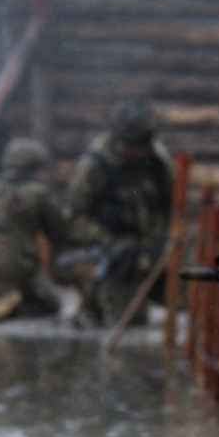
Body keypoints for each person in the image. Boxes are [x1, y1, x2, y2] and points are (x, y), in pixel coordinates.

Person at [65, 98, 174, 326]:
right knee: (130, 321)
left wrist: (162, 241)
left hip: (152, 247)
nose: (138, 151)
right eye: (132, 144)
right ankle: (93, 301)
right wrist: (109, 241)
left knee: (190, 295)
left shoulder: (158, 163)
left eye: (143, 143)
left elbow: (170, 207)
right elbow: (74, 219)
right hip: (114, 251)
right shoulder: (95, 166)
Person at [0, 138, 68, 321]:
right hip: (14, 265)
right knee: (51, 305)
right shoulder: (37, 192)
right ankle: (15, 304)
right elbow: (60, 232)